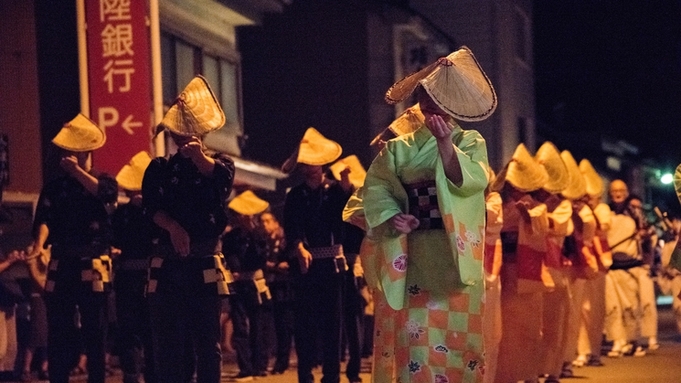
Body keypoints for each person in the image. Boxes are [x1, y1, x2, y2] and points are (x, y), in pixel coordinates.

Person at [352, 46, 495, 383]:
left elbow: (473, 182)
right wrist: (391, 217)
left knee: (457, 344)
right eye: (424, 97)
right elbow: (377, 188)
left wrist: (447, 146)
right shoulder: (399, 148)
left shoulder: (470, 141)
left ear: (451, 105)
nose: (429, 104)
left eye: (437, 98)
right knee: (415, 344)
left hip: (452, 258)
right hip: (413, 254)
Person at [142, 75, 236, 383]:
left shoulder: (219, 164)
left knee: (206, 343)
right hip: (167, 264)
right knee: (168, 344)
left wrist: (199, 158)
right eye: (179, 131)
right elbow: (150, 208)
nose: (183, 137)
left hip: (204, 262)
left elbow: (222, 185)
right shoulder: (159, 168)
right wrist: (172, 226)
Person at [28, 113, 117, 383]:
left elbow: (106, 194)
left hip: (94, 260)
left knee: (95, 327)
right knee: (58, 328)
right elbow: (45, 218)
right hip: (62, 260)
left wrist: (77, 171)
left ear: (87, 151)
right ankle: (58, 377)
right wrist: (40, 243)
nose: (68, 154)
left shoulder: (103, 179)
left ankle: (97, 378)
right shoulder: (55, 187)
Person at [281, 127, 354, 383]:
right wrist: (298, 246)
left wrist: (347, 191)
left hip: (333, 266)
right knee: (304, 324)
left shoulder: (336, 191)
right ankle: (305, 373)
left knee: (333, 324)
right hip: (304, 266)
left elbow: (350, 221)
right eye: (306, 162)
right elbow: (291, 228)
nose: (310, 167)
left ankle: (332, 375)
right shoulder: (295, 195)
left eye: (314, 162)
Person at [492, 143, 551, 383]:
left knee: (528, 325)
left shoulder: (536, 206)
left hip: (524, 271)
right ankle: (504, 374)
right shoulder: (495, 201)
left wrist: (528, 218)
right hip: (501, 269)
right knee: (503, 326)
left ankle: (528, 373)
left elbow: (540, 227)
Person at [111, 151, 156, 383]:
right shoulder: (125, 213)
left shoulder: (154, 211)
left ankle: (141, 374)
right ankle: (136, 374)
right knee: (136, 330)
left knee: (142, 330)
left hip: (142, 276)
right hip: (138, 276)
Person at [532, 142, 572, 383]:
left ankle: (554, 370)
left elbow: (557, 227)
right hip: (532, 269)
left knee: (554, 323)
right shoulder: (530, 201)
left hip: (554, 269)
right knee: (533, 323)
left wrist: (535, 213)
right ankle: (532, 369)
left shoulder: (563, 205)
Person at [222, 190, 272, 381]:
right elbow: (228, 256)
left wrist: (253, 235)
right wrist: (235, 269)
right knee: (240, 326)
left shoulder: (260, 234)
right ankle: (245, 367)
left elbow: (262, 257)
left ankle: (260, 365)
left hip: (255, 283)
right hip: (238, 284)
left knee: (258, 326)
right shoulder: (231, 237)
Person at [331, 155, 368, 383]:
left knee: (355, 319)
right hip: (335, 261)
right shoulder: (334, 203)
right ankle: (335, 366)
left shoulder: (365, 204)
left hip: (355, 263)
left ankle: (354, 368)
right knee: (337, 319)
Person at [573, 159, 612, 368]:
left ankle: (594, 351)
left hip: (598, 264)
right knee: (579, 309)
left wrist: (589, 211)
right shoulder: (578, 209)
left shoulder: (603, 209)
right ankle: (582, 351)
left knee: (595, 309)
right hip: (580, 261)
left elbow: (602, 227)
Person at [604, 179, 648, 357]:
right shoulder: (606, 212)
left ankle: (632, 340)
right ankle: (617, 341)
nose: (618, 193)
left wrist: (642, 234)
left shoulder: (635, 212)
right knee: (612, 307)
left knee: (630, 306)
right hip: (610, 265)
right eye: (614, 190)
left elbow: (645, 230)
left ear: (627, 191)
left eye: (621, 190)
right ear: (610, 193)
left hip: (631, 266)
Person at [260, 211, 292, 375]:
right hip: (270, 285)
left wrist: (275, 265)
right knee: (273, 326)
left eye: (267, 221)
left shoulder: (284, 239)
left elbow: (287, 263)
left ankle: (282, 361)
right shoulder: (264, 241)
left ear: (275, 222)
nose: (264, 224)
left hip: (283, 288)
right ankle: (275, 360)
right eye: (262, 221)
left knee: (283, 326)